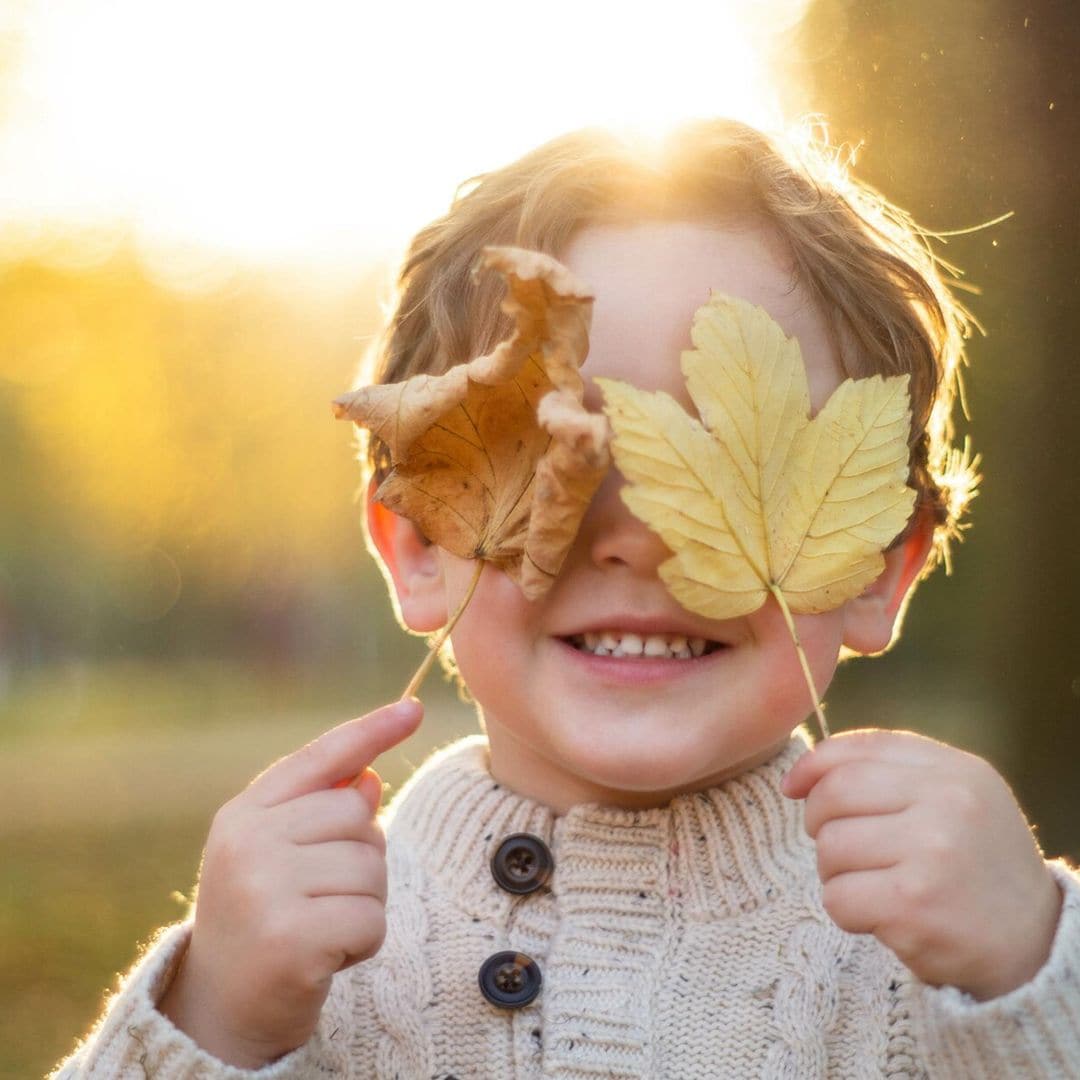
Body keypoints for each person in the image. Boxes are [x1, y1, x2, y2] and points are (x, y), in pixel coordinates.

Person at [53, 120, 1080, 1078]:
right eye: (554, 457)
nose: (643, 541)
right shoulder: (299, 954)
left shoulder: (952, 943)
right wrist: (215, 1024)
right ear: (417, 543)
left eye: (736, 464)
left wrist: (1035, 975)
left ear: (879, 566)